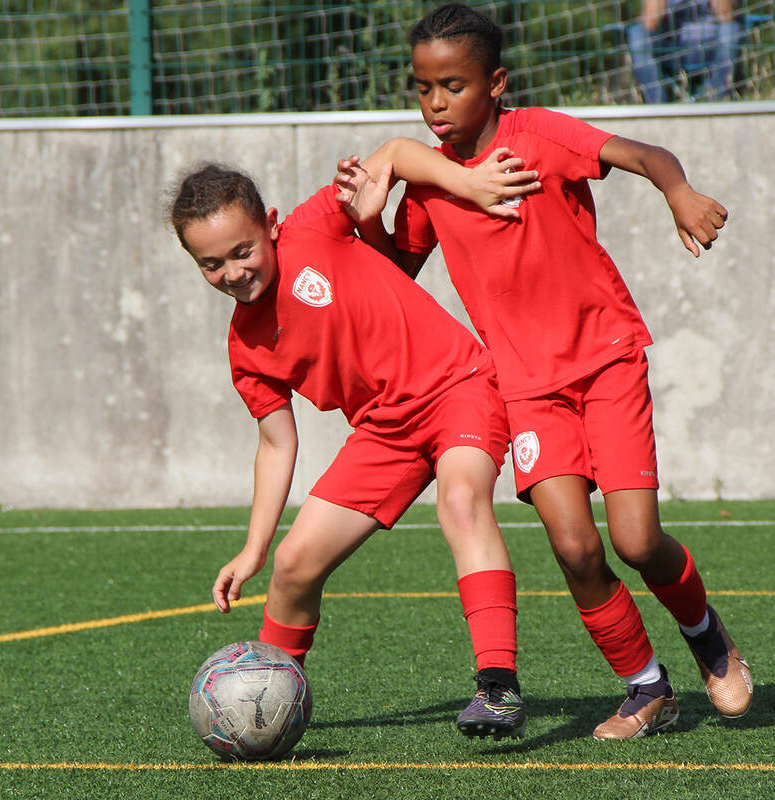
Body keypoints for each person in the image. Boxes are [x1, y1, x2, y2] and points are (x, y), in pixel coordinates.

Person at [333, 2, 752, 740]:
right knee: (572, 545)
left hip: (605, 361)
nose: (435, 104)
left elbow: (647, 156)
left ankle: (706, 634)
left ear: (496, 83)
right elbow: (397, 271)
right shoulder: (430, 180)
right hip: (525, 385)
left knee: (634, 540)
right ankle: (645, 686)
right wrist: (369, 218)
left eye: (453, 86)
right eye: (423, 88)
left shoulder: (540, 136)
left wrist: (678, 194)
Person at [168, 156, 537, 740]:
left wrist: (455, 183)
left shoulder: (313, 226)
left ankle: (498, 688)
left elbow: (394, 152)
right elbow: (274, 443)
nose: (233, 272)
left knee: (461, 501)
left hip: (459, 385)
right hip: (385, 430)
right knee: (293, 567)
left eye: (242, 251)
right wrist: (254, 549)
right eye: (211, 264)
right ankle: (264, 702)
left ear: (271, 224)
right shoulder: (246, 350)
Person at [627, 0, 738, 103]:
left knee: (731, 30)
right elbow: (650, 23)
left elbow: (726, 17)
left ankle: (715, 100)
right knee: (637, 34)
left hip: (710, 46)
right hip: (669, 48)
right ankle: (657, 105)